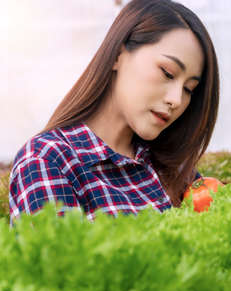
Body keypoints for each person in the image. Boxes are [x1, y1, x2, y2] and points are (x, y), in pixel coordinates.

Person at [8, 0, 219, 225]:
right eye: (168, 73)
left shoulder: (174, 168)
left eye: (189, 89)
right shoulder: (47, 160)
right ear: (118, 54)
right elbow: (59, 259)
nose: (176, 100)